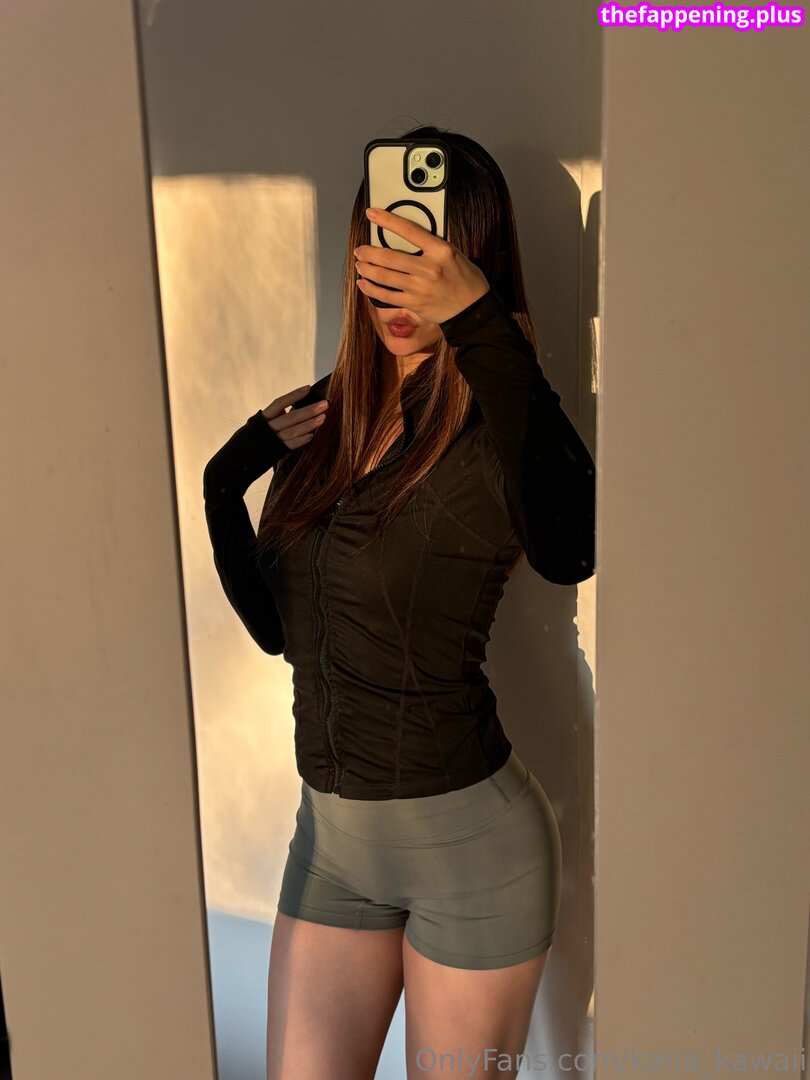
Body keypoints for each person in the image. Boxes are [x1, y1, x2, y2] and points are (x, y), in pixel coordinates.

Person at [202, 124, 595, 1080]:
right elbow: (280, 633)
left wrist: (482, 322)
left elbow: (572, 547)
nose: (399, 282)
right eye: (383, 248)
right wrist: (224, 482)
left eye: (428, 254)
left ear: (474, 263)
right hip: (332, 850)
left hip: (476, 858)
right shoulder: (329, 418)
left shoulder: (499, 420)